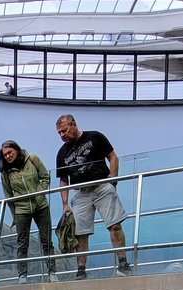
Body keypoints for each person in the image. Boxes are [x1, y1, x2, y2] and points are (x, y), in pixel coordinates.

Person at [55, 114, 132, 279]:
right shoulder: (62, 153)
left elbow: (112, 156)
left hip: (102, 186)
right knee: (80, 233)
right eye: (59, 133)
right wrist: (65, 204)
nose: (62, 135)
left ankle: (123, 263)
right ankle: (81, 270)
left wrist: (113, 180)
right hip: (81, 192)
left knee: (115, 225)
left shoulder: (95, 136)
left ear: (73, 124)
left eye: (64, 130)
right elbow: (63, 179)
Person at [0, 140, 56, 282]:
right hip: (21, 210)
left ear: (16, 149)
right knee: (22, 243)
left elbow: (45, 176)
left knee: (46, 240)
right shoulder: (6, 172)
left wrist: (39, 193)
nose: (7, 156)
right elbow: (8, 196)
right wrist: (14, 215)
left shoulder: (32, 159)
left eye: (9, 152)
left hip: (41, 206)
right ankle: (22, 275)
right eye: (4, 155)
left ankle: (52, 272)